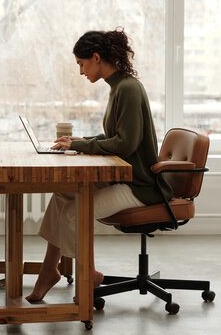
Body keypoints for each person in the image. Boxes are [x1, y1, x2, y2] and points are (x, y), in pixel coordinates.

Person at [25, 29, 173, 303]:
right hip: (125, 179)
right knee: (62, 196)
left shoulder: (127, 88)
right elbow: (115, 137)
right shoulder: (119, 86)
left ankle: (87, 274)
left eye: (82, 64)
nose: (81, 71)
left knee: (73, 213)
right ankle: (49, 270)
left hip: (139, 186)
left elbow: (126, 144)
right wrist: (82, 141)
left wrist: (80, 146)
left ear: (96, 57)